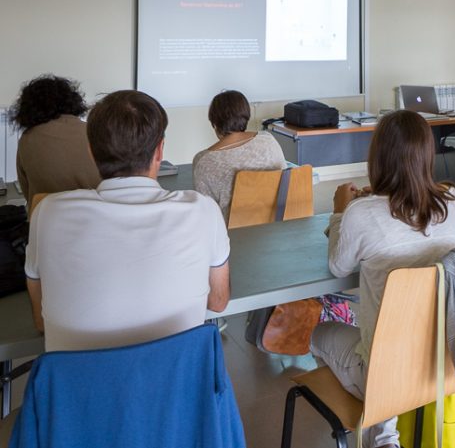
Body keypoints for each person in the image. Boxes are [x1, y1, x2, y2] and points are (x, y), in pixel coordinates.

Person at [24, 90, 231, 351]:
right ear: (160, 151)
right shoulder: (203, 211)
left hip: (83, 389)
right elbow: (218, 301)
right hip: (175, 387)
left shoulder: (48, 213)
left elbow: (41, 320)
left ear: (91, 151)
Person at [310, 110, 455, 448]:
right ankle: (385, 433)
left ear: (377, 156)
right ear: (426, 155)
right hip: (444, 365)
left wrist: (340, 212)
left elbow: (338, 267)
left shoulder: (359, 214)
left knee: (318, 333)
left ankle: (381, 432)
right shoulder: (451, 202)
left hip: (385, 374)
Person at [10, 74, 101, 211]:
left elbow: (27, 191)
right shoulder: (95, 131)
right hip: (98, 217)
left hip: (47, 222)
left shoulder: (27, 139)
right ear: (72, 101)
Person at [193, 90, 286, 221]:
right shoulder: (268, 140)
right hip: (274, 223)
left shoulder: (204, 160)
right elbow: (284, 179)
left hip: (231, 233)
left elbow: (206, 212)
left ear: (214, 123)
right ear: (246, 116)